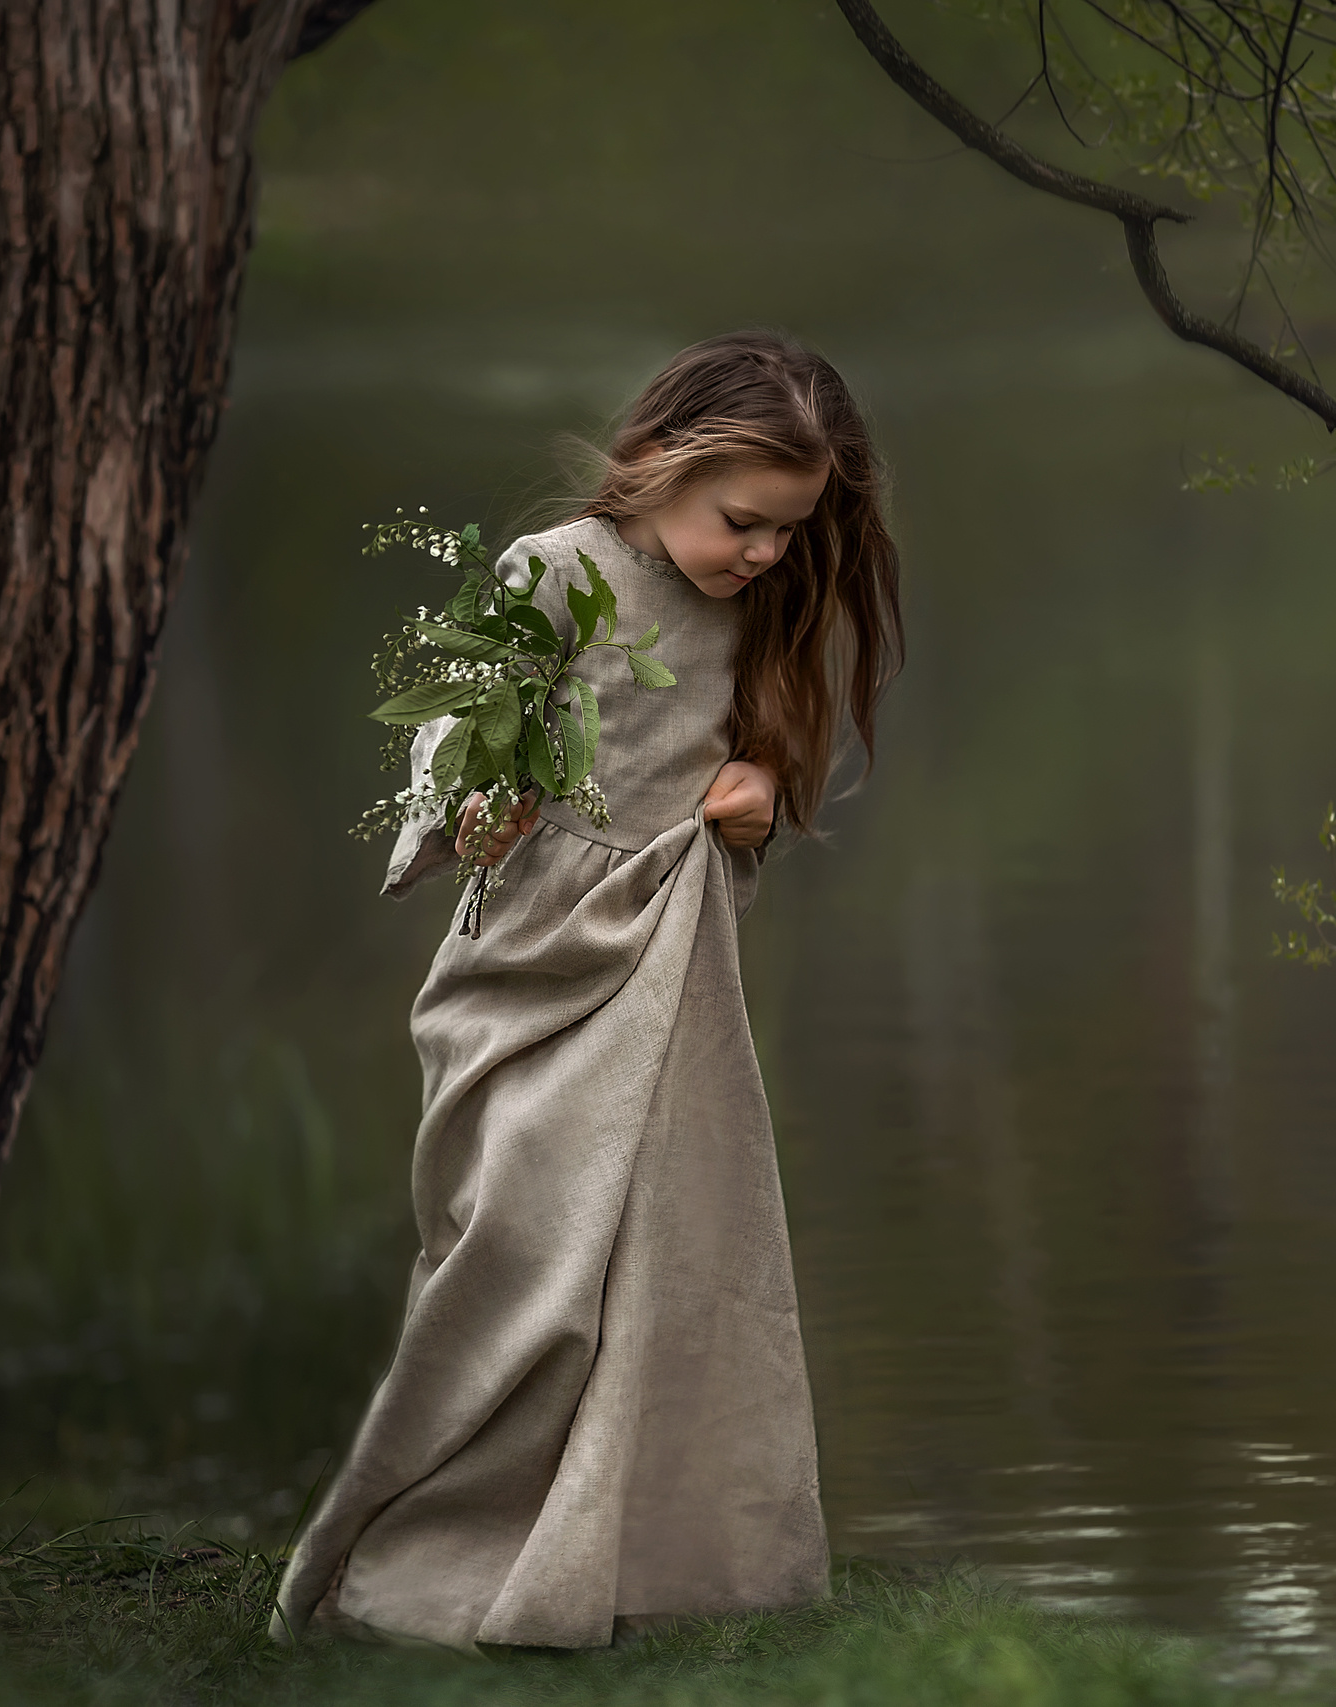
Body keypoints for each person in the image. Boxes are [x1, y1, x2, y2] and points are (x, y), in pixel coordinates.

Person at [273, 331, 903, 1650]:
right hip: (531, 953)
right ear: (659, 463)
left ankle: (616, 1555)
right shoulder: (558, 573)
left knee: (654, 1252)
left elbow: (749, 764)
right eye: (745, 523)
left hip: (668, 959)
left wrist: (759, 798)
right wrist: (474, 797)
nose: (767, 555)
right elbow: (457, 713)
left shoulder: (751, 607)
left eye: (789, 534)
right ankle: (420, 1548)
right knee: (518, 1242)